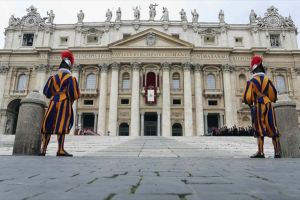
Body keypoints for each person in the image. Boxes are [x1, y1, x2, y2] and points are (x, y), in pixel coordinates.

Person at [39, 50, 80, 157]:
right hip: (64, 103)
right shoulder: (71, 78)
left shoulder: (53, 78)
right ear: (69, 68)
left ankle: (43, 149)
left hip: (53, 102)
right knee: (61, 125)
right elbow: (74, 94)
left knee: (48, 125)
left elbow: (46, 92)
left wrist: (54, 95)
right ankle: (60, 149)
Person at [243, 55, 281, 158]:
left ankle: (261, 152)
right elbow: (273, 94)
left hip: (258, 105)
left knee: (259, 127)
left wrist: (250, 103)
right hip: (268, 104)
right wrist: (269, 99)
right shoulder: (267, 79)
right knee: (273, 126)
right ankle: (277, 152)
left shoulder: (251, 81)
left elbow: (247, 97)